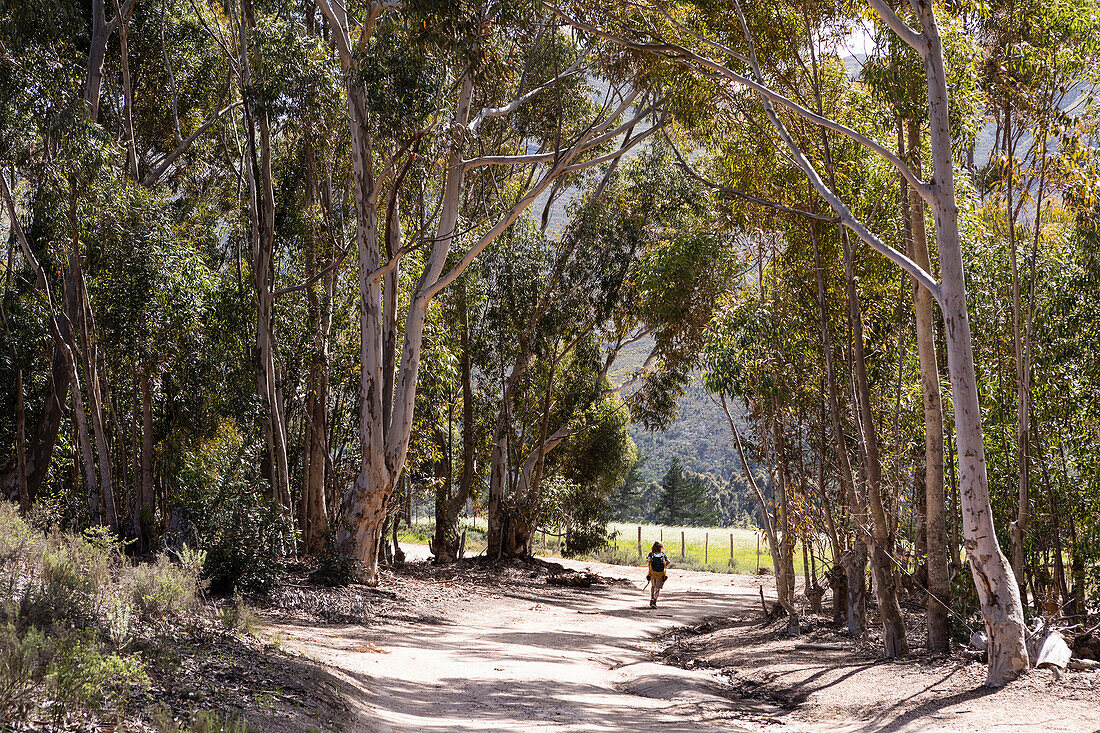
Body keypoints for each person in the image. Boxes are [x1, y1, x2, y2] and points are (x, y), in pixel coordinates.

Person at [646, 541, 671, 607]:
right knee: (657, 588)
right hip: (660, 574)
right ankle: (654, 601)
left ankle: (652, 597)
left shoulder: (651, 554)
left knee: (653, 586)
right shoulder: (663, 555)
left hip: (652, 573)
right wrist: (664, 565)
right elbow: (668, 561)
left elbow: (648, 561)